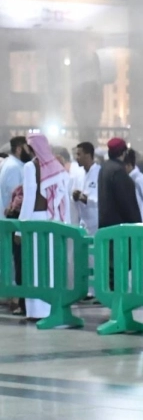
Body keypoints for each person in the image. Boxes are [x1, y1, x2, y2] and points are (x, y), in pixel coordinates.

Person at [19, 134, 72, 321]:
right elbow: (62, 197)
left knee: (33, 264)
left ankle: (35, 311)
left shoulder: (30, 167)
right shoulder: (56, 166)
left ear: (31, 148)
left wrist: (20, 227)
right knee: (49, 264)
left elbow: (29, 198)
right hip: (52, 220)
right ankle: (50, 308)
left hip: (34, 219)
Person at [97, 138, 141, 229]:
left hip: (105, 225)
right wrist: (136, 225)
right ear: (124, 153)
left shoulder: (104, 167)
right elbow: (127, 203)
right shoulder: (118, 171)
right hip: (119, 228)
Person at [72, 142, 99, 234]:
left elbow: (104, 199)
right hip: (82, 223)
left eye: (79, 154)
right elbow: (73, 196)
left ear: (87, 155)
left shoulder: (99, 173)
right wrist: (75, 196)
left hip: (96, 223)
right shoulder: (78, 174)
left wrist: (86, 199)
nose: (76, 158)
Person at [1, 136, 30, 212]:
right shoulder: (14, 167)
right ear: (19, 149)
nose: (30, 152)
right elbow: (14, 196)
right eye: (28, 148)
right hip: (10, 218)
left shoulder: (13, 164)